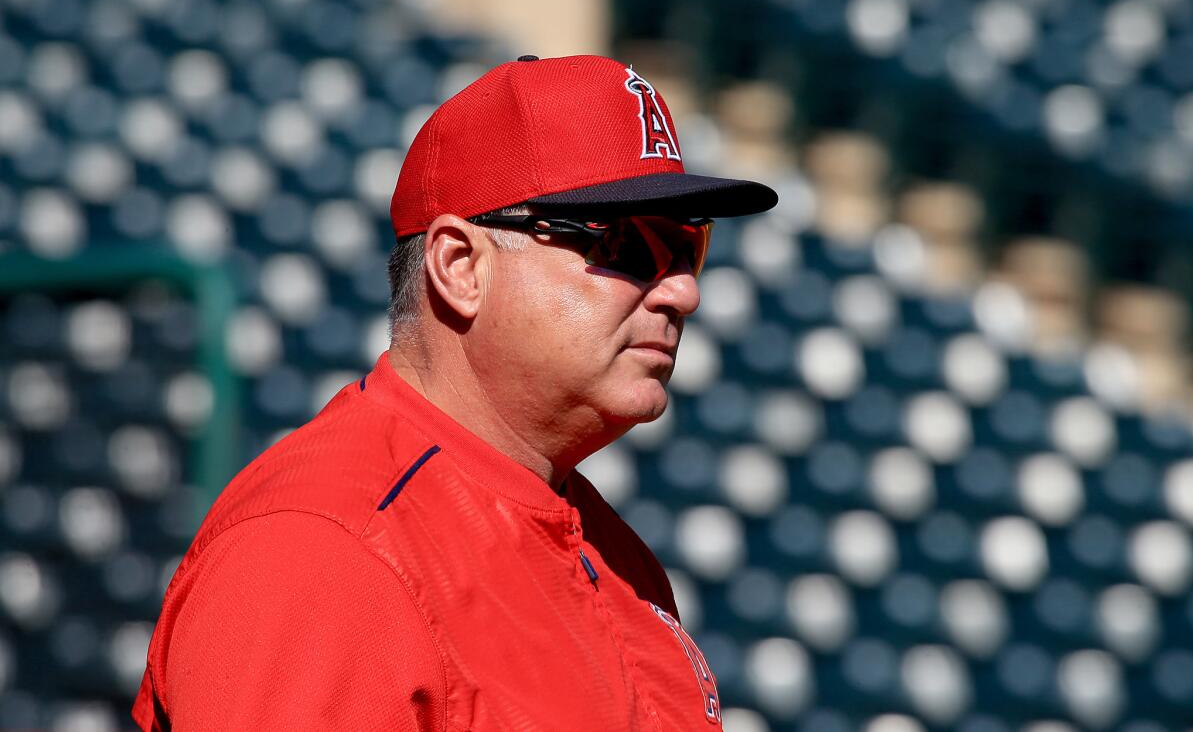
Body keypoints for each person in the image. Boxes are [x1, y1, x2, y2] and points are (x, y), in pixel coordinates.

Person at [132, 54, 778, 731]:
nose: (684, 292)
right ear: (460, 266)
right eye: (628, 244)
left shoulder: (613, 551)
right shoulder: (326, 555)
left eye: (690, 248)